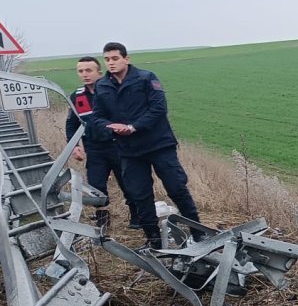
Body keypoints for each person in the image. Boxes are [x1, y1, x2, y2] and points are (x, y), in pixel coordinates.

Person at [92, 41, 201, 249]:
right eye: (107, 59)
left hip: (158, 144)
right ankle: (153, 241)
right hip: (128, 151)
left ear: (126, 58)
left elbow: (159, 107)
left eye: (115, 58)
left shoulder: (145, 78)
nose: (111, 63)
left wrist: (134, 127)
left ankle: (198, 232)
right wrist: (110, 125)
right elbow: (97, 117)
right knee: (139, 195)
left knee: (176, 187)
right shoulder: (102, 86)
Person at [64, 56, 138, 229]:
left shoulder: (113, 91)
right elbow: (72, 124)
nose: (84, 74)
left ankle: (137, 217)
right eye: (80, 71)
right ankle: (102, 223)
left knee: (129, 183)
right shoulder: (77, 96)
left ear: (99, 71)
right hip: (95, 148)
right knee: (95, 186)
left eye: (88, 70)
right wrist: (74, 146)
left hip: (119, 146)